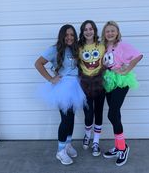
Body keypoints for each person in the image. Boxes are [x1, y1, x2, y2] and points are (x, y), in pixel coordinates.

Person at [35, 24, 86, 165]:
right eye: (66, 35)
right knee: (65, 119)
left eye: (72, 35)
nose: (69, 37)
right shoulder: (54, 49)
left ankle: (68, 144)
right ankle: (60, 151)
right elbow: (38, 63)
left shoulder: (76, 49)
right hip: (63, 88)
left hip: (75, 87)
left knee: (71, 118)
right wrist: (51, 79)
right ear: (62, 36)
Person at [101, 21, 143, 166]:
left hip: (121, 81)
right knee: (116, 114)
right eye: (108, 31)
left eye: (113, 31)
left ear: (117, 32)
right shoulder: (104, 47)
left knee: (112, 114)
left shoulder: (123, 45)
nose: (110, 33)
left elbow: (138, 55)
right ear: (104, 34)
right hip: (109, 81)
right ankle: (119, 146)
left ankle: (123, 148)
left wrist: (127, 69)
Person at [78, 20, 106, 156]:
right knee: (88, 114)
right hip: (85, 85)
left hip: (100, 84)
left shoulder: (102, 46)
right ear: (82, 32)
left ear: (94, 30)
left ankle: (96, 142)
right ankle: (87, 135)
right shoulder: (79, 47)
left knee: (98, 112)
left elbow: (110, 60)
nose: (88, 32)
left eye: (91, 29)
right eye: (85, 29)